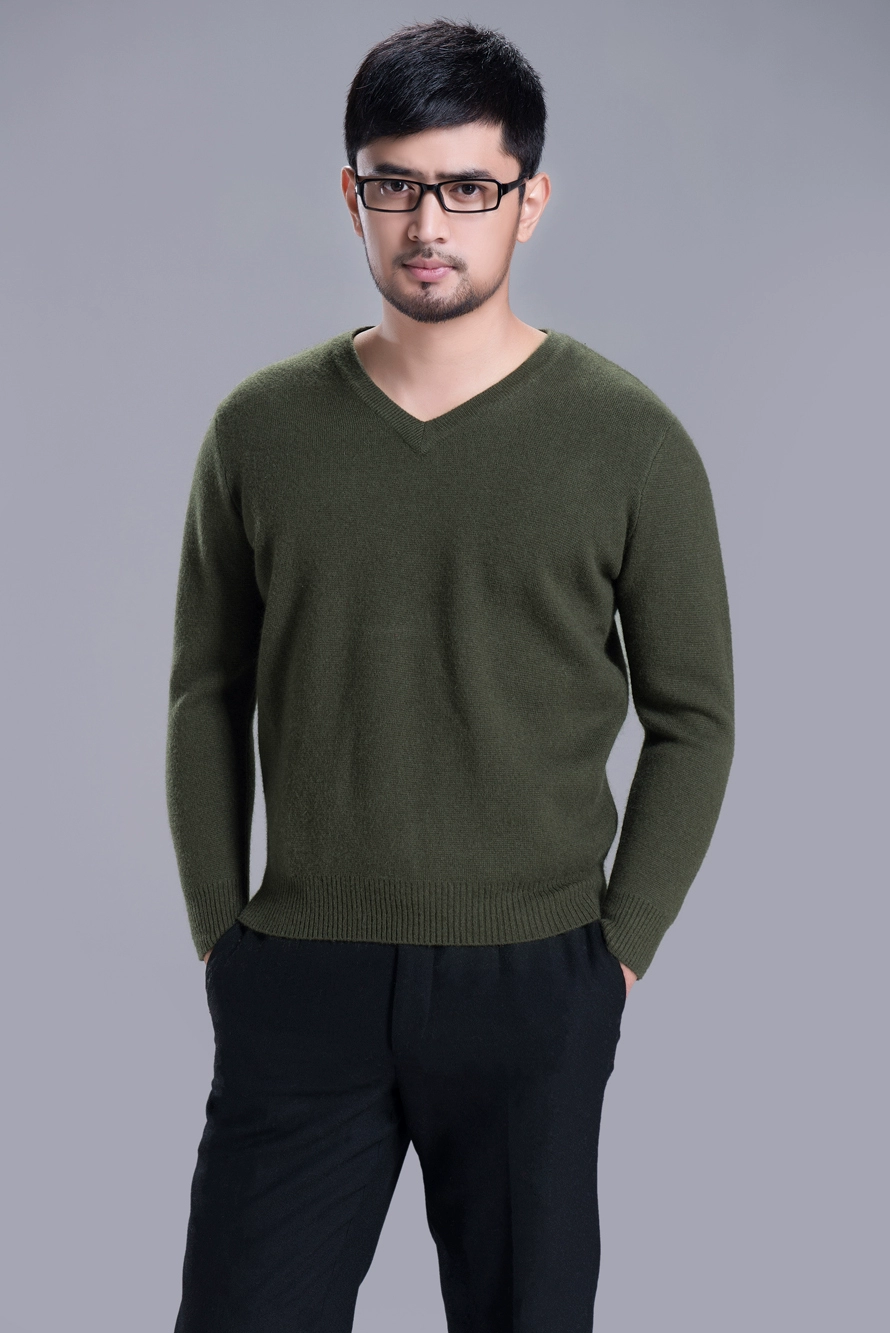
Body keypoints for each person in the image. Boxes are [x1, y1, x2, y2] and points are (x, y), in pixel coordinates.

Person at [165, 18, 734, 1333]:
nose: (429, 224)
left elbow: (695, 717)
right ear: (351, 194)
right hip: (301, 980)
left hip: (533, 979)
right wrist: (220, 937)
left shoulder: (628, 438)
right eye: (396, 185)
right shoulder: (260, 430)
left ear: (529, 199)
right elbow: (205, 695)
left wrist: (618, 955)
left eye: (468, 187)